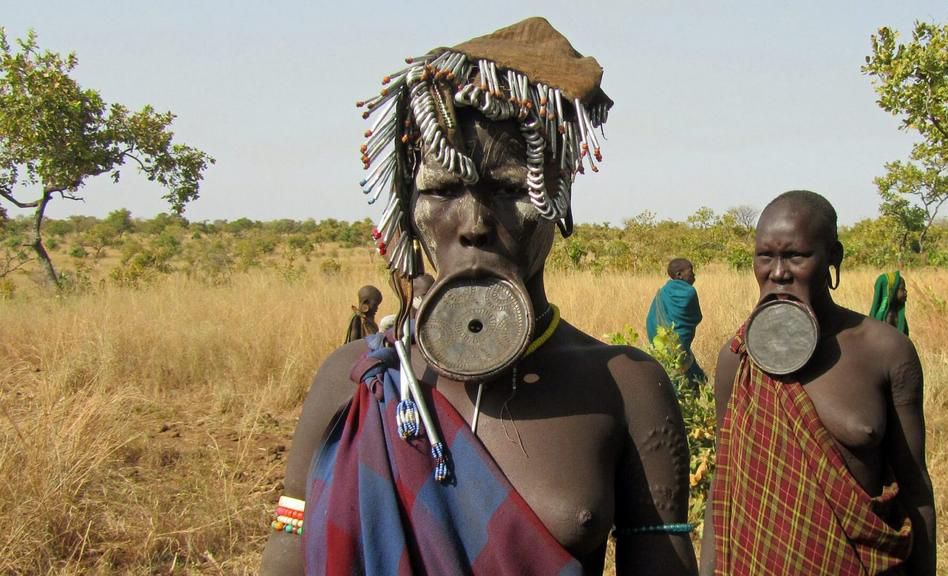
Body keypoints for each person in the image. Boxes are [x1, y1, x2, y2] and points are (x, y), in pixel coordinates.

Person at [262, 17, 697, 576]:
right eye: (442, 189)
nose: (473, 223)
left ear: (559, 200)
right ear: (405, 208)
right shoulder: (353, 380)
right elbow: (287, 556)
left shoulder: (626, 385)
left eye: (512, 189)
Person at [700, 190, 935, 575]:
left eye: (796, 256)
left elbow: (916, 487)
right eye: (765, 256)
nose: (778, 272)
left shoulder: (886, 352)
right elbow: (723, 485)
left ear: (833, 257)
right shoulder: (738, 358)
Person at [646, 258, 705, 386]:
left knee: (672, 368)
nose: (694, 274)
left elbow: (651, 319)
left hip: (660, 342)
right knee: (691, 377)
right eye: (691, 271)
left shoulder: (663, 291)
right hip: (679, 345)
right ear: (679, 275)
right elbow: (696, 317)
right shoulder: (689, 292)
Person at [870, 271, 909, 336]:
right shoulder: (889, 317)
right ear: (891, 292)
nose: (906, 292)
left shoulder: (896, 312)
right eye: (902, 289)